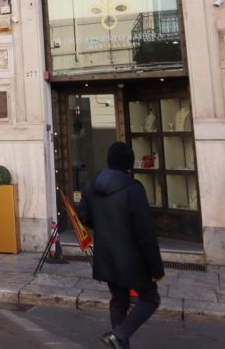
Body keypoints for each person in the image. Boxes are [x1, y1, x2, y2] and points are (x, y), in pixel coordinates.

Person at [78, 142, 164, 349]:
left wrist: (103, 226)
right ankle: (120, 333)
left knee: (119, 300)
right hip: (131, 258)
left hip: (106, 254)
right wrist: (155, 268)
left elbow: (84, 216)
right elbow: (145, 233)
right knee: (150, 299)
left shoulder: (91, 185)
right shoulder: (133, 188)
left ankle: (118, 341)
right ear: (129, 163)